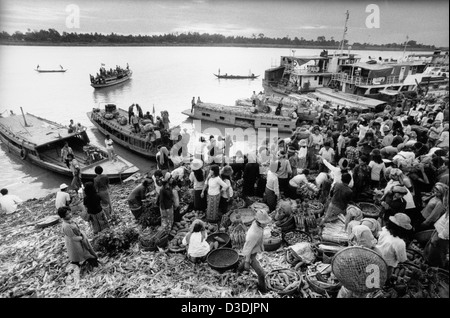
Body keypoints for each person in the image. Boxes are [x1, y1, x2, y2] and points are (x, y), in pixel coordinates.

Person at [236, 210, 272, 293]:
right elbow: (248, 249)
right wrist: (247, 262)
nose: (266, 224)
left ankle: (238, 271)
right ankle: (263, 290)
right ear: (259, 222)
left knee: (246, 261)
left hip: (253, 250)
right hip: (250, 254)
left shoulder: (257, 224)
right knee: (261, 274)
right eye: (265, 222)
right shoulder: (253, 234)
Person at [58, 206, 98, 271]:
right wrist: (82, 238)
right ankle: (94, 265)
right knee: (85, 254)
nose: (70, 215)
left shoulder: (69, 221)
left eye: (70, 212)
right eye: (67, 214)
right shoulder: (66, 226)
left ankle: (77, 264)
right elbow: (73, 237)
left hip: (78, 240)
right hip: (75, 243)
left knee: (79, 255)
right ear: (63, 216)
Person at [376, 213, 411, 278]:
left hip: (376, 255)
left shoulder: (384, 229)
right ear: (403, 229)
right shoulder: (400, 242)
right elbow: (402, 259)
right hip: (387, 264)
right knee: (385, 277)